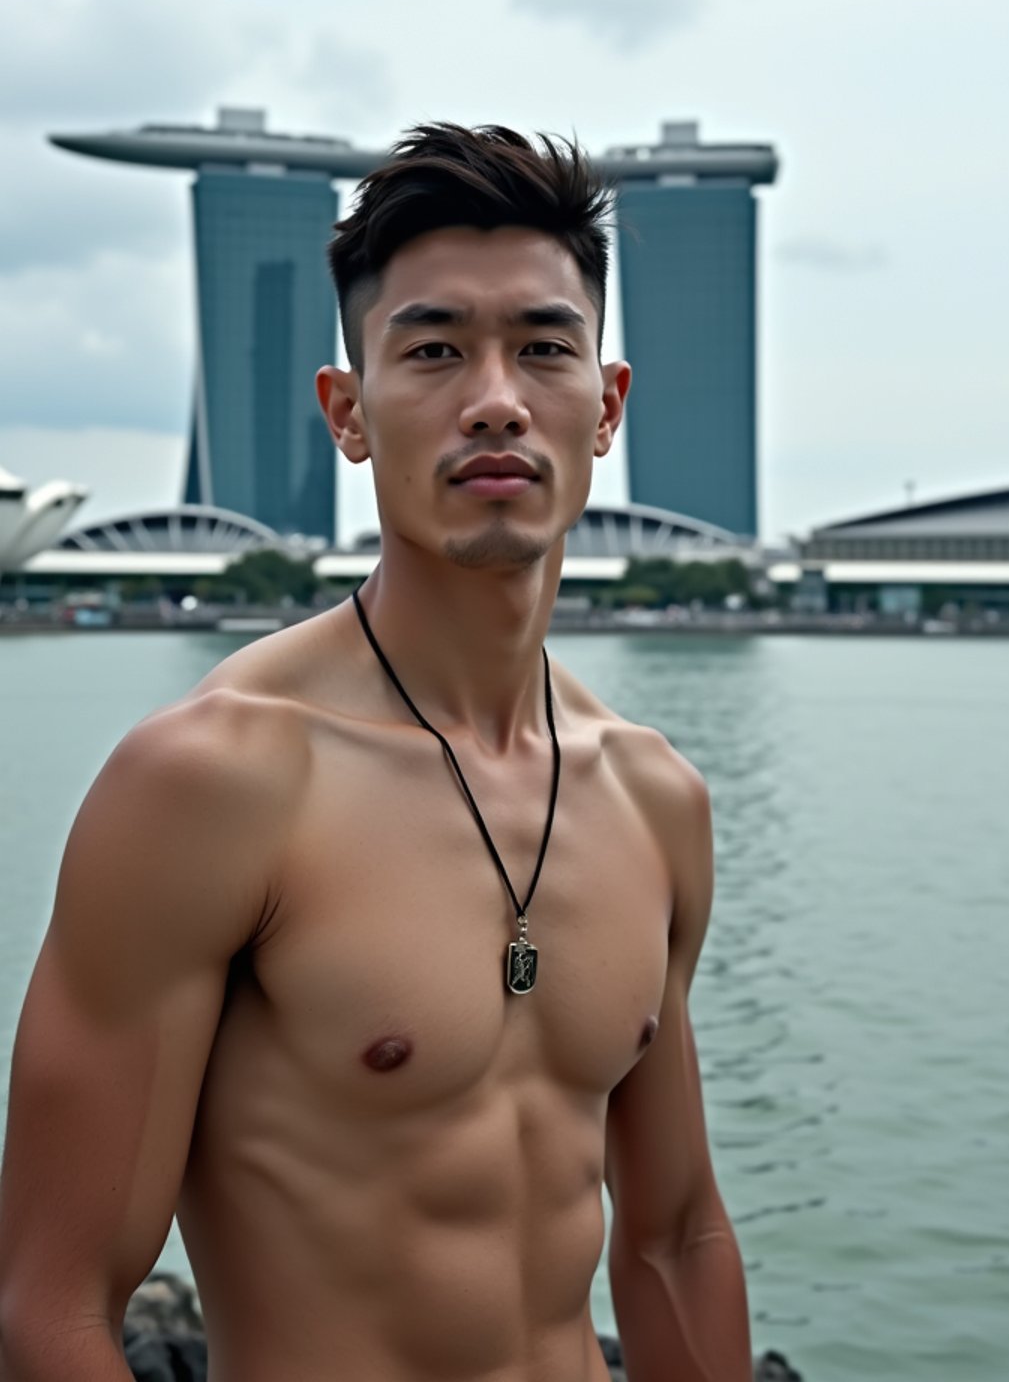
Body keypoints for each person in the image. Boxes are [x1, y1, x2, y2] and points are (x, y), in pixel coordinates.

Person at [0, 123, 751, 1381]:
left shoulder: (654, 796)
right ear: (347, 412)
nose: (497, 396)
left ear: (607, 405)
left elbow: (672, 1240)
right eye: (436, 349)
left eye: (545, 348)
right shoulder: (217, 783)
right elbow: (51, 1305)